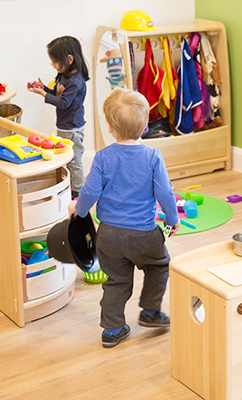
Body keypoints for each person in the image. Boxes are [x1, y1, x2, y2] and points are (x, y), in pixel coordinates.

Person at [68, 89, 180, 348]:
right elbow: (165, 191)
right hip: (144, 234)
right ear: (145, 127)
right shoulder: (153, 157)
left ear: (109, 127)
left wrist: (79, 209)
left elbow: (90, 192)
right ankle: (150, 311)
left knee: (116, 281)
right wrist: (172, 218)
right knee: (158, 265)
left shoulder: (103, 157)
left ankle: (112, 329)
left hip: (108, 236)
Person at [29, 36, 89, 199]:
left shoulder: (76, 82)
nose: (53, 65)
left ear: (70, 59)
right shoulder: (64, 75)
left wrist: (43, 94)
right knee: (67, 158)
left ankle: (78, 192)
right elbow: (58, 94)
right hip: (64, 126)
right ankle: (70, 187)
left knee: (74, 160)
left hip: (73, 128)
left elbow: (63, 103)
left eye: (55, 61)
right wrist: (45, 89)